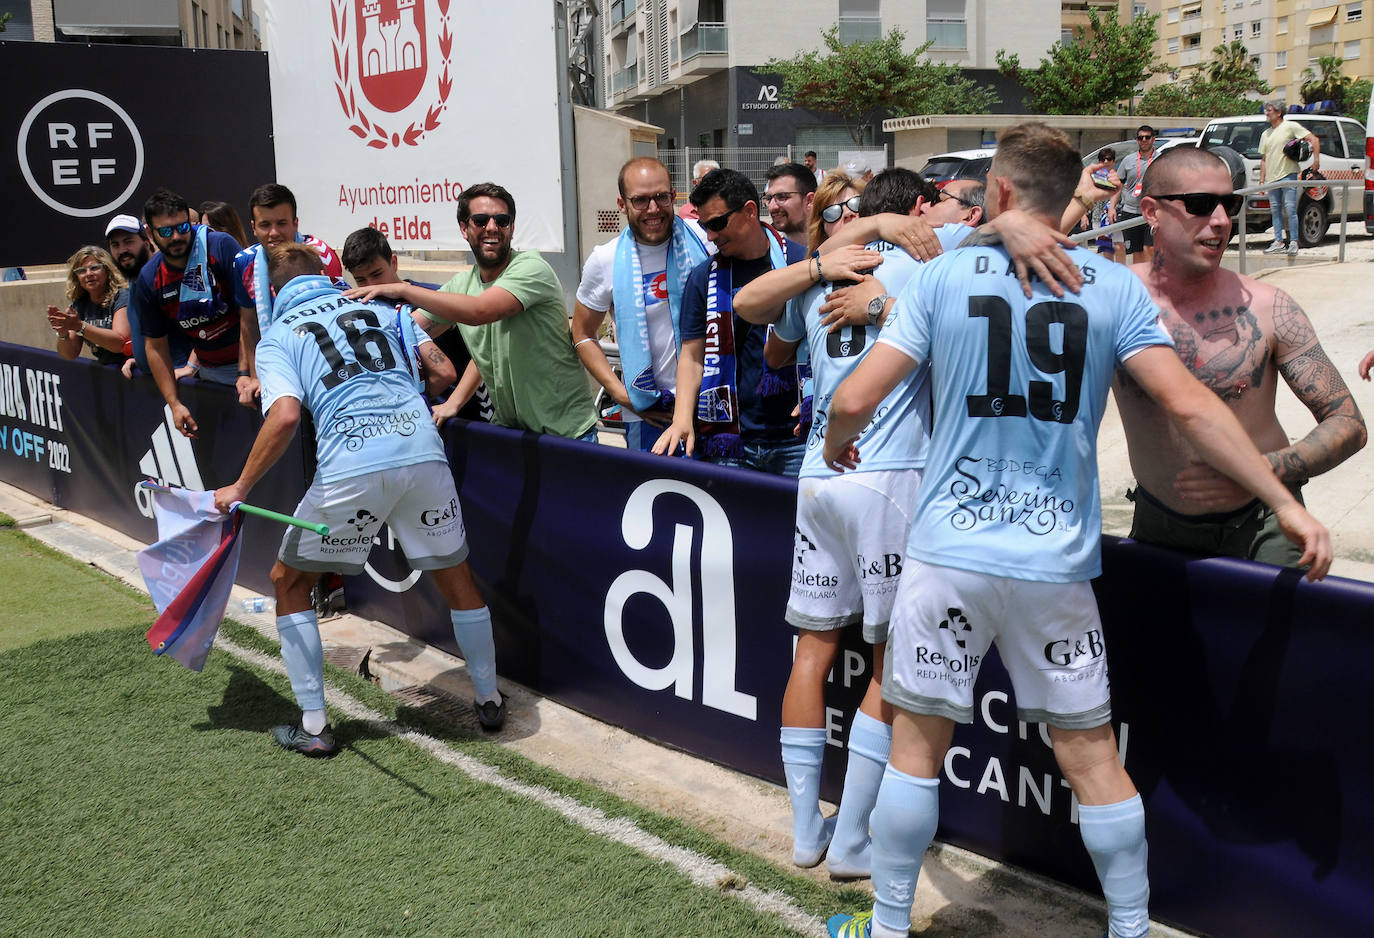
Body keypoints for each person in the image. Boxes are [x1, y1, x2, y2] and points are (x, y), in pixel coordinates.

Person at [820, 122, 1332, 938]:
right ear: (1071, 197)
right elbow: (1192, 404)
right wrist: (1284, 499)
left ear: (999, 193)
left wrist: (839, 439)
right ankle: (1128, 929)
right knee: (1092, 758)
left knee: (917, 747)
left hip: (950, 552)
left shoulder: (942, 278)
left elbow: (854, 397)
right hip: (1053, 562)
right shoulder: (1112, 286)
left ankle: (885, 928)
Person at [734, 168, 974, 879]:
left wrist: (846, 242)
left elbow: (760, 324)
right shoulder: (938, 256)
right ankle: (850, 842)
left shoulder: (824, 266)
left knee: (812, 652)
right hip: (889, 474)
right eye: (948, 204)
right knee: (888, 664)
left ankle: (808, 829)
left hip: (819, 474)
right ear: (921, 210)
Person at [212, 243, 503, 757]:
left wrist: (239, 488)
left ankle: (316, 726)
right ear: (327, 275)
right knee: (456, 576)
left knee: (289, 580)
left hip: (353, 463)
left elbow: (282, 416)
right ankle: (489, 699)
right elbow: (443, 374)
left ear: (275, 292)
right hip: (421, 452)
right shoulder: (383, 308)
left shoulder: (278, 335)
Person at [1113, 146, 1364, 565]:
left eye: (1229, 204)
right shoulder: (1112, 300)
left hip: (1263, 525)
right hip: (1160, 526)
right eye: (1199, 204)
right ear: (1151, 212)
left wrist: (1263, 471)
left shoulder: (1268, 308)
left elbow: (1348, 423)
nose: (1221, 221)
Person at [348, 183, 599, 440]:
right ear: (464, 229)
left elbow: (479, 312)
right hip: (513, 435)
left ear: (512, 227)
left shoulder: (532, 269)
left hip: (569, 435)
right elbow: (408, 333)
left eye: (502, 220)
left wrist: (402, 290)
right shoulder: (462, 285)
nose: (491, 227)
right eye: (480, 220)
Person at [653, 168, 809, 472]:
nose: (711, 235)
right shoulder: (703, 279)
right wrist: (682, 418)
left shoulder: (802, 263)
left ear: (750, 211)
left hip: (796, 440)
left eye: (717, 223)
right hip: (731, 443)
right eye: (704, 225)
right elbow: (692, 355)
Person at [572, 157, 710, 451]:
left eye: (661, 197)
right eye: (640, 200)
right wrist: (622, 395)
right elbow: (583, 334)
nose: (653, 209)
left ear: (674, 196)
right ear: (622, 204)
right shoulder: (605, 260)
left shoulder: (705, 241)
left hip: (710, 400)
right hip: (649, 414)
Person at [341, 225, 492, 422]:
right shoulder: (361, 312)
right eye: (361, 280)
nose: (372, 285)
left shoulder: (436, 296)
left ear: (393, 262)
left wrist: (451, 402)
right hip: (413, 421)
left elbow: (484, 351)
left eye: (377, 274)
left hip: (467, 413)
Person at [128, 187, 247, 436]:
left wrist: (249, 373)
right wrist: (174, 403)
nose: (176, 237)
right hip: (211, 374)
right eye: (166, 231)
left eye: (182, 228)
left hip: (255, 365)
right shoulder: (149, 279)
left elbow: (249, 315)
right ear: (150, 233)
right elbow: (155, 346)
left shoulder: (220, 246)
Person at [232, 183, 345, 398]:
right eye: (265, 225)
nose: (274, 233)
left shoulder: (322, 256)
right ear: (253, 227)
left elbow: (337, 320)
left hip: (322, 367)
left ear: (295, 224)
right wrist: (257, 376)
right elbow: (249, 323)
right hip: (278, 364)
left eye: (282, 223)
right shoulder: (243, 262)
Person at [46, 246, 131, 366]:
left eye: (94, 268)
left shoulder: (122, 297)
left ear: (107, 270)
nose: (88, 274)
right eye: (81, 271)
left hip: (133, 369)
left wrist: (80, 326)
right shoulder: (79, 304)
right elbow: (69, 355)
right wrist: (63, 333)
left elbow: (120, 344)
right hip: (107, 371)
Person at [1259, 102, 1321, 256]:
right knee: (1275, 211)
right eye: (1266, 110)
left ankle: (1293, 241)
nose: (1266, 113)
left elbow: (1314, 139)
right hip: (1272, 178)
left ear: (1279, 112)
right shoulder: (1265, 134)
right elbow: (1264, 159)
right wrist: (1261, 181)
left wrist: (1316, 160)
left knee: (1291, 209)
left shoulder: (1290, 126)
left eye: (1269, 110)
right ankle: (1278, 241)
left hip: (1288, 174)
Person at [1108, 125, 1160, 264]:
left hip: (1152, 213)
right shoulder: (1128, 160)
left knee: (1149, 248)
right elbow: (1117, 186)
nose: (1144, 140)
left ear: (1153, 139)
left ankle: (1151, 281)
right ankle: (1141, 282)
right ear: (1137, 140)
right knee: (1137, 251)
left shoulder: (1160, 160)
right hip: (1130, 211)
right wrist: (1112, 207)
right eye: (1140, 137)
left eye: (1147, 137)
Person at [763, 162, 818, 243]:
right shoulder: (768, 248)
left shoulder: (835, 247)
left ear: (809, 200)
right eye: (769, 198)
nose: (772, 207)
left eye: (781, 197)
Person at [105, 214, 153, 281]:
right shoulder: (131, 286)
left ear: (146, 244)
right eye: (115, 245)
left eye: (128, 242)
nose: (122, 250)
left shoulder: (168, 273)